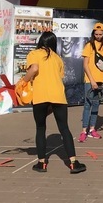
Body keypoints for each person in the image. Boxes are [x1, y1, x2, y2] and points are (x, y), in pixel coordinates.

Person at [21, 31, 86, 174]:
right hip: (58, 97)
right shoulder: (58, 58)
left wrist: (23, 81)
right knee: (64, 129)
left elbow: (34, 68)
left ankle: (41, 163)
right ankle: (73, 163)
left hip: (40, 96)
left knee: (40, 128)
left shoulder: (34, 54)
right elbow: (59, 77)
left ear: (40, 41)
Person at [79, 22, 103, 141]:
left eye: (100, 34)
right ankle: (84, 130)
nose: (98, 36)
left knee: (96, 104)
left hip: (101, 80)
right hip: (90, 80)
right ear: (93, 33)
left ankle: (92, 129)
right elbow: (85, 65)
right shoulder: (89, 45)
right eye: (96, 34)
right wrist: (92, 81)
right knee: (88, 104)